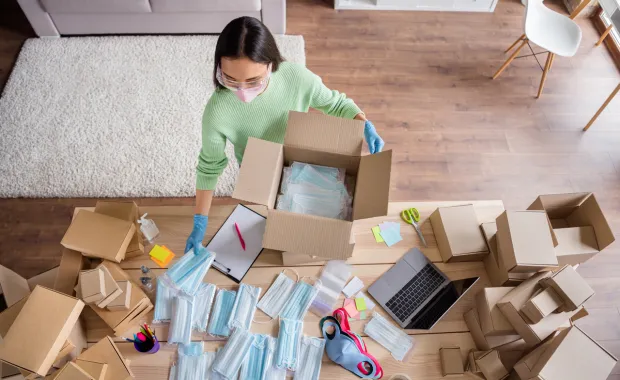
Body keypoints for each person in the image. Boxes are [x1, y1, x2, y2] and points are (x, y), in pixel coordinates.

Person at [185, 16, 384, 253]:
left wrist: (364, 123)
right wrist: (200, 221)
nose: (243, 91)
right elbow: (210, 166)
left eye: (253, 80)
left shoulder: (297, 78)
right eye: (230, 80)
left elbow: (336, 105)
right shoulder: (216, 112)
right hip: (257, 167)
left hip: (299, 158)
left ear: (271, 64)